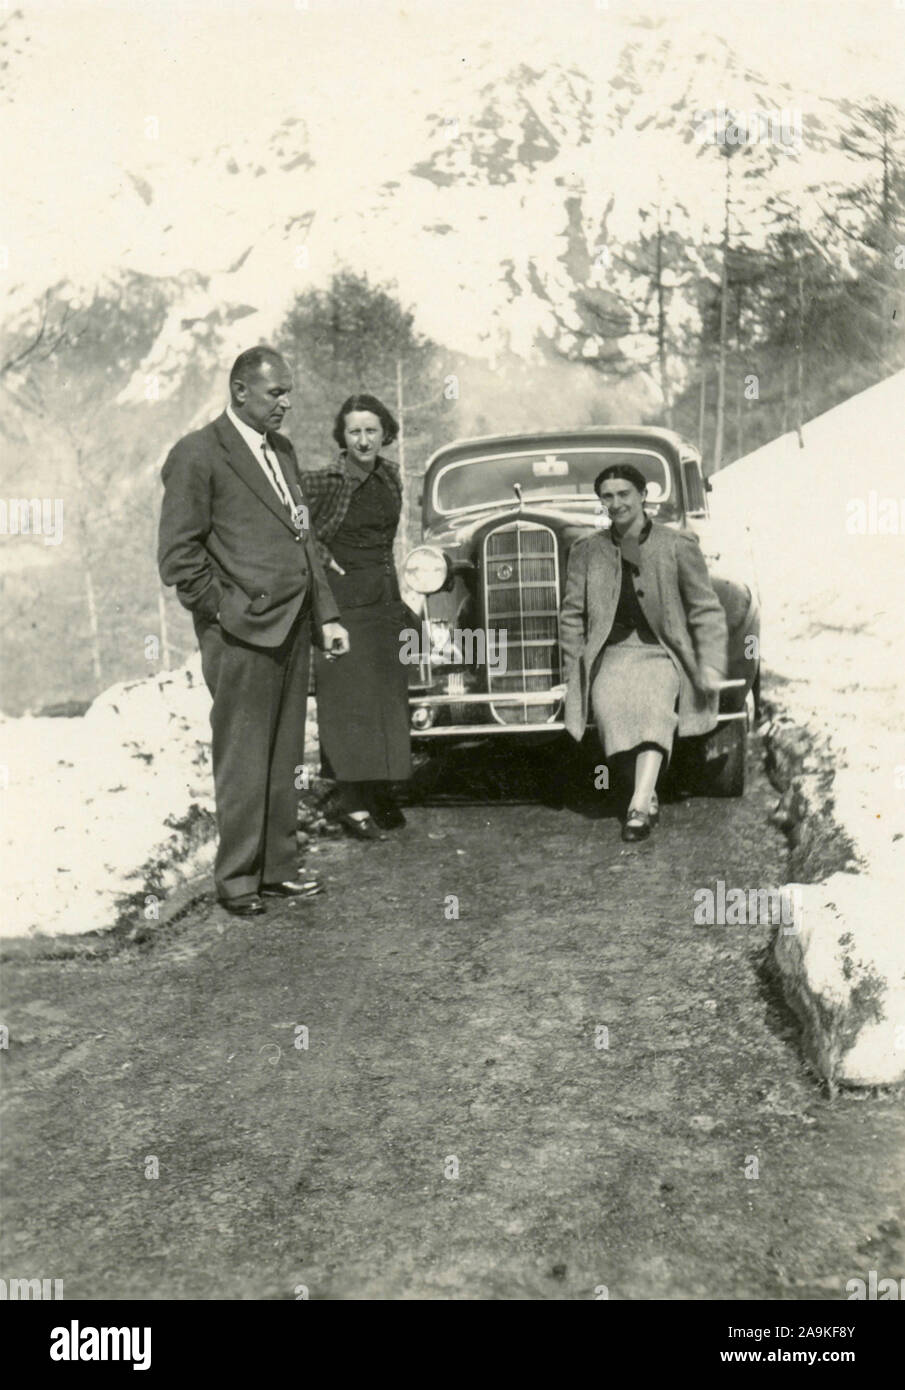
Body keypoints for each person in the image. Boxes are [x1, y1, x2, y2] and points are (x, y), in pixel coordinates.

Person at [158, 348, 350, 915]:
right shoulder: (197, 454)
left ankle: (279, 868)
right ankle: (238, 879)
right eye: (275, 394)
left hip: (292, 627)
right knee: (242, 757)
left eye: (288, 392)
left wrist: (328, 614)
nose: (285, 403)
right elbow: (178, 556)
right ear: (240, 391)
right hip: (240, 634)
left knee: (284, 754)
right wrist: (222, 611)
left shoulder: (282, 452)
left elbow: (303, 539)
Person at [560, 463, 727, 842]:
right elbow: (571, 615)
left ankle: (638, 803)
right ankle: (647, 790)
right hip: (614, 653)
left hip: (662, 653)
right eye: (607, 496)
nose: (616, 503)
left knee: (653, 704)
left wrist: (711, 660)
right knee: (609, 705)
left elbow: (706, 608)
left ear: (642, 496)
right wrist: (575, 669)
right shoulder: (588, 551)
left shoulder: (676, 545)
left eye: (624, 494)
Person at [300, 393, 412, 839]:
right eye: (354, 432)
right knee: (349, 702)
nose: (364, 440)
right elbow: (297, 529)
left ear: (385, 432)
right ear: (342, 438)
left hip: (385, 598)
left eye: (371, 430)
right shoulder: (328, 480)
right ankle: (351, 802)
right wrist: (325, 558)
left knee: (386, 697)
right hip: (343, 603)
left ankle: (380, 790)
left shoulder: (391, 475)